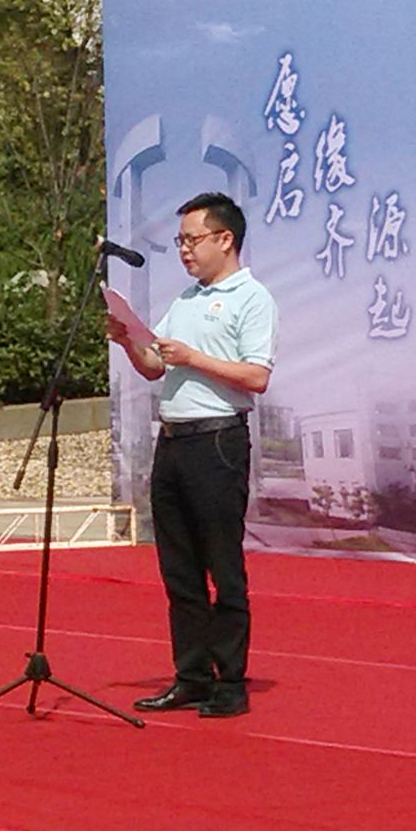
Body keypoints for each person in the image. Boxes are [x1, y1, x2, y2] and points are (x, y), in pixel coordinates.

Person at [107, 192, 278, 718]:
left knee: (222, 566)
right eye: (180, 241)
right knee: (178, 569)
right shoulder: (185, 300)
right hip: (174, 440)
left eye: (192, 239)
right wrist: (129, 342)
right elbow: (157, 368)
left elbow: (257, 376)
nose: (184, 250)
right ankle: (191, 676)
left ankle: (231, 682)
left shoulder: (252, 298)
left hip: (218, 441)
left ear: (225, 239)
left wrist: (194, 357)